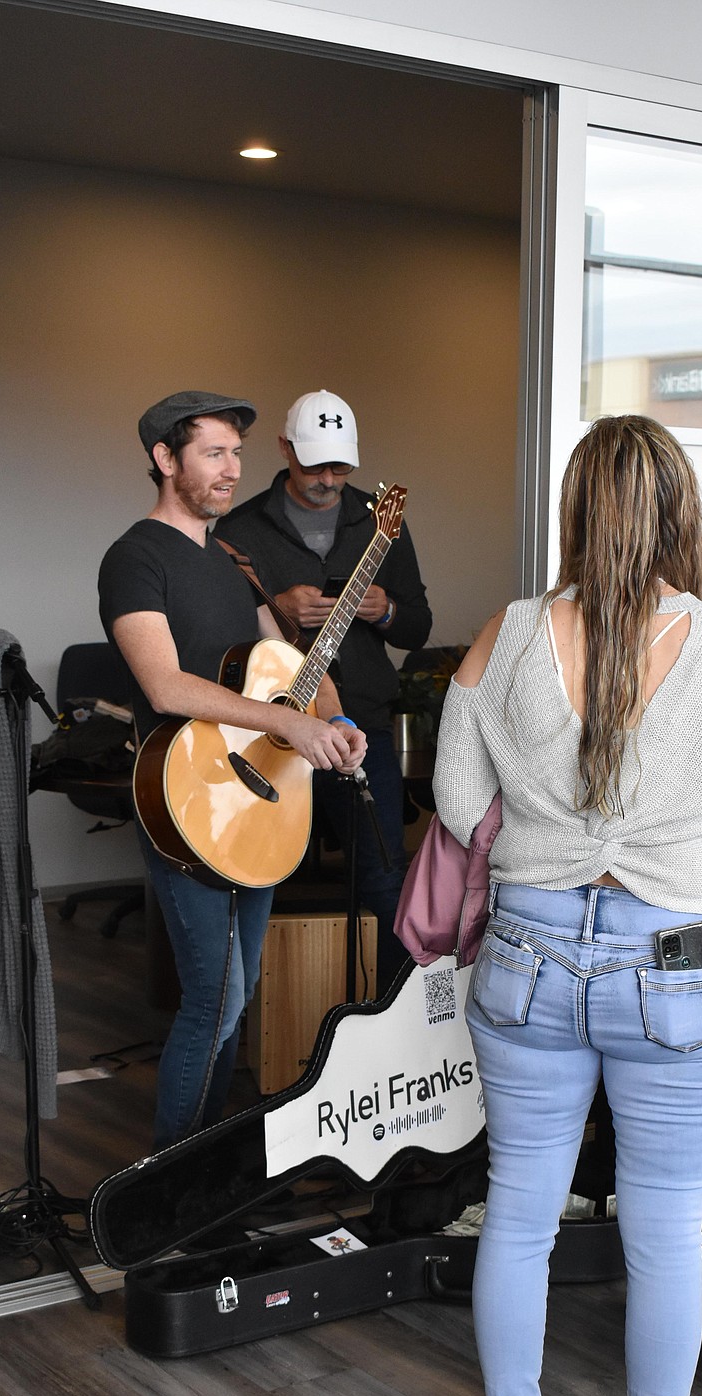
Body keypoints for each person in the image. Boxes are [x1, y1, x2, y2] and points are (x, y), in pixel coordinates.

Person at [432, 415, 702, 1396]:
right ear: (681, 510)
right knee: (667, 1229)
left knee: (521, 1213)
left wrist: (552, 833)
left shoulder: (502, 638)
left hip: (529, 958)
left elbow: (454, 807)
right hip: (679, 967)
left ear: (575, 512)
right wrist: (676, 853)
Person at [98, 391, 366, 1149]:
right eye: (213, 452)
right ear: (165, 460)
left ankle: (206, 1164)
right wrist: (286, 721)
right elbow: (166, 685)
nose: (231, 469)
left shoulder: (229, 560)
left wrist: (331, 719)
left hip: (254, 801)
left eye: (237, 454)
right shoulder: (135, 558)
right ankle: (169, 1185)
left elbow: (287, 666)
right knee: (213, 1002)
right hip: (185, 803)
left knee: (236, 998)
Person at [217, 389, 432, 995]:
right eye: (315, 466)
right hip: (266, 728)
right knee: (252, 874)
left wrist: (386, 609)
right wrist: (271, 609)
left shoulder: (381, 520)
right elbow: (214, 639)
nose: (328, 480)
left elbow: (418, 626)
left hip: (358, 726)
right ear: (285, 449)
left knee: (384, 878)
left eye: (341, 467)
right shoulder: (239, 528)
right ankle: (261, 1013)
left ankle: (394, 1017)